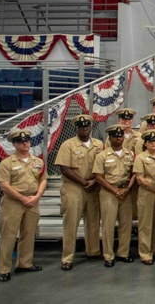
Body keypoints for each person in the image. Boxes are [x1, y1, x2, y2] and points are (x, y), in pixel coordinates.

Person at [0, 130, 47, 282]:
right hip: (13, 202)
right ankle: (3, 269)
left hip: (32, 200)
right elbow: (4, 185)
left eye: (27, 140)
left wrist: (37, 196)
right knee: (8, 236)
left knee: (29, 234)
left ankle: (24, 263)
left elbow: (43, 179)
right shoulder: (6, 163)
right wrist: (22, 198)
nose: (25, 143)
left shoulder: (38, 162)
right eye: (20, 141)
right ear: (14, 144)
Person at [55, 115, 103, 271]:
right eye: (81, 126)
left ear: (91, 126)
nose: (84, 128)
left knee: (94, 221)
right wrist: (83, 182)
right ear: (76, 128)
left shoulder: (98, 144)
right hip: (73, 187)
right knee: (71, 224)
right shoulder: (68, 145)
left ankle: (93, 251)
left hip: (93, 186)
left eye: (87, 126)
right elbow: (64, 168)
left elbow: (101, 167)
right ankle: (67, 257)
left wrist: (94, 182)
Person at [94, 125, 136, 267]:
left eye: (120, 136)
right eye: (115, 136)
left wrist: (128, 189)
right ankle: (108, 255)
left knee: (126, 224)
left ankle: (123, 253)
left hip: (125, 192)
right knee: (108, 225)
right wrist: (114, 190)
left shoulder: (129, 154)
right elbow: (99, 177)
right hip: (108, 193)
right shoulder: (102, 156)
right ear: (110, 138)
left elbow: (134, 174)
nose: (118, 138)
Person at [133, 130, 155, 265]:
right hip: (147, 192)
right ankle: (145, 253)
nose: (153, 143)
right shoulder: (140, 158)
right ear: (145, 144)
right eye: (150, 142)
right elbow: (139, 178)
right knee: (146, 224)